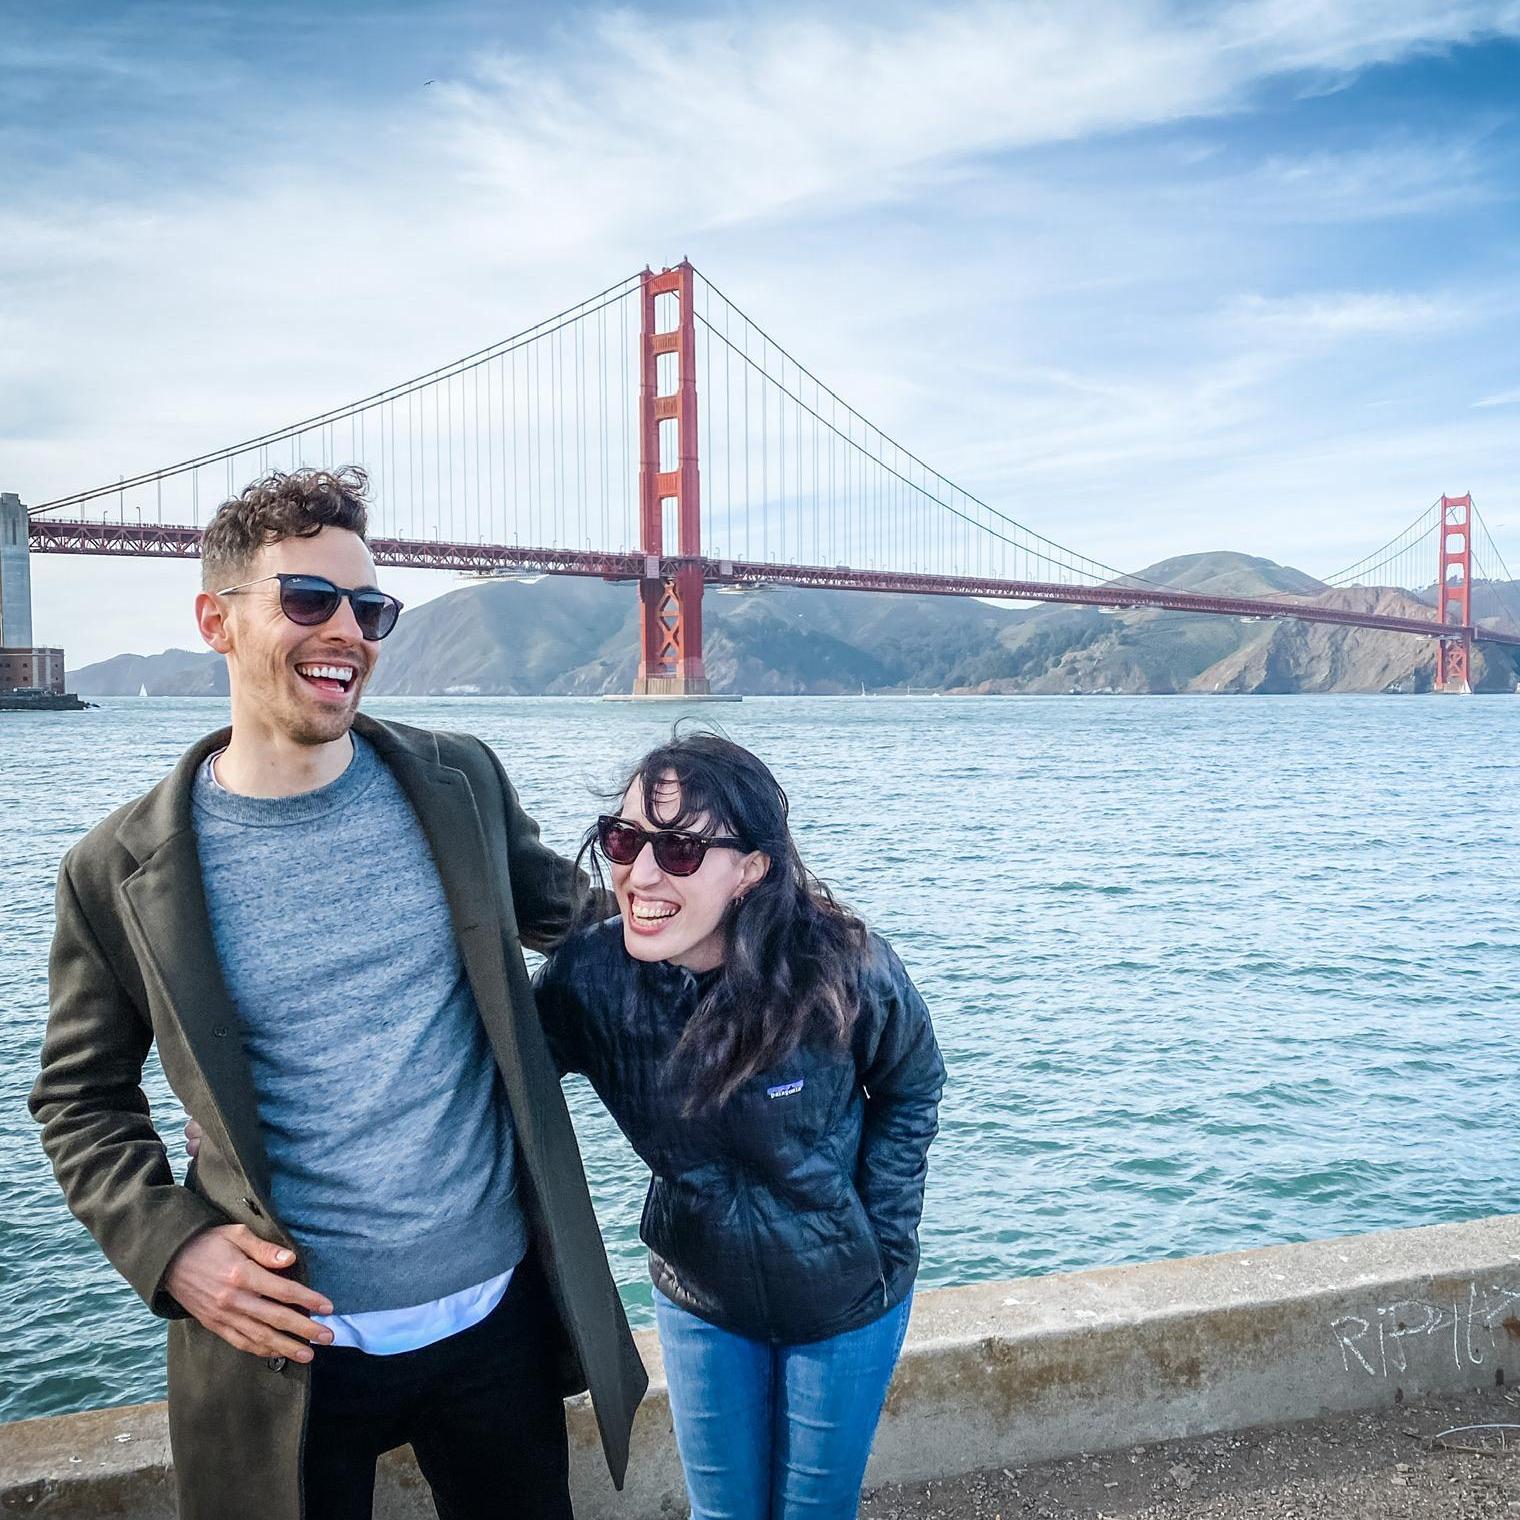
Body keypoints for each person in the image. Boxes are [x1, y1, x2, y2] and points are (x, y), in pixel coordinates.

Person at [29, 467, 645, 1520]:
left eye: (370, 607)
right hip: (281, 1350)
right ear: (216, 621)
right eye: (307, 600)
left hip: (499, 1320)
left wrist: (786, 921)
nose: (346, 631)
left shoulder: (461, 781)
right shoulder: (115, 870)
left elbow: (607, 917)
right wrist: (172, 1245)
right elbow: (80, 1099)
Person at [533, 730, 945, 1520]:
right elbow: (491, 1079)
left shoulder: (841, 968)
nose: (640, 874)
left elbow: (912, 1082)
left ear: (752, 869)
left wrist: (882, 1238)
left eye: (681, 850)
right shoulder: (592, 979)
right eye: (624, 840)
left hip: (846, 1303)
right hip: (701, 1298)